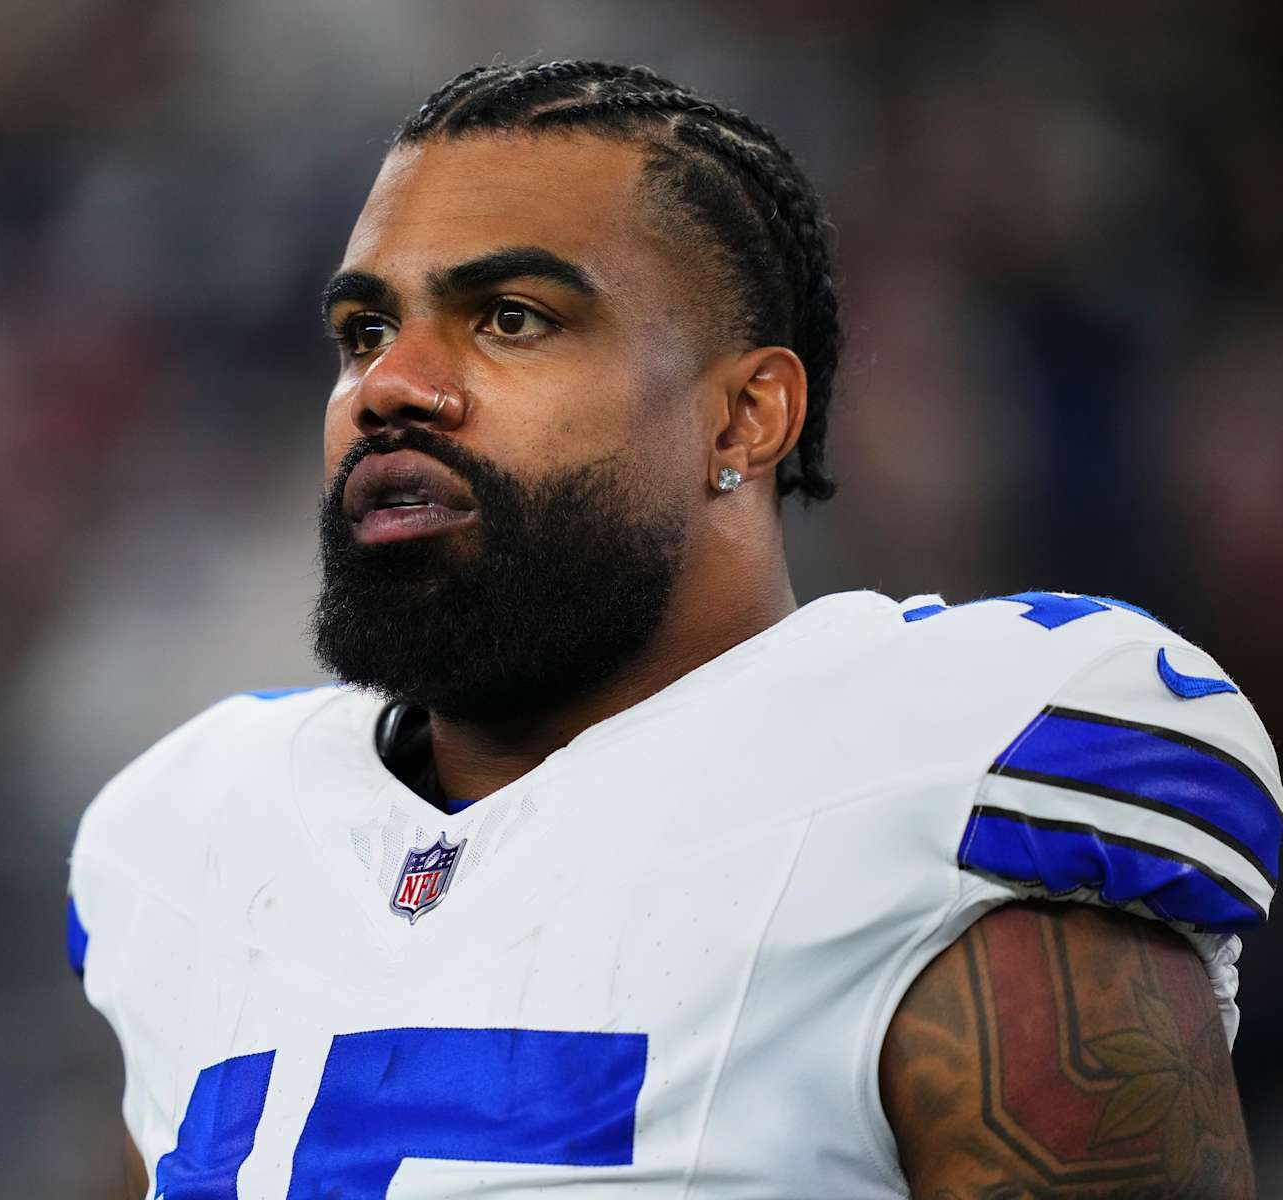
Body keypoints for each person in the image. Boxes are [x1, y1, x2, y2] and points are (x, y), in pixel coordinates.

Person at [66, 60, 1277, 1197]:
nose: (389, 386)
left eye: (511, 317)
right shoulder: (195, 832)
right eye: (364, 333)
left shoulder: (950, 770)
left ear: (746, 417)